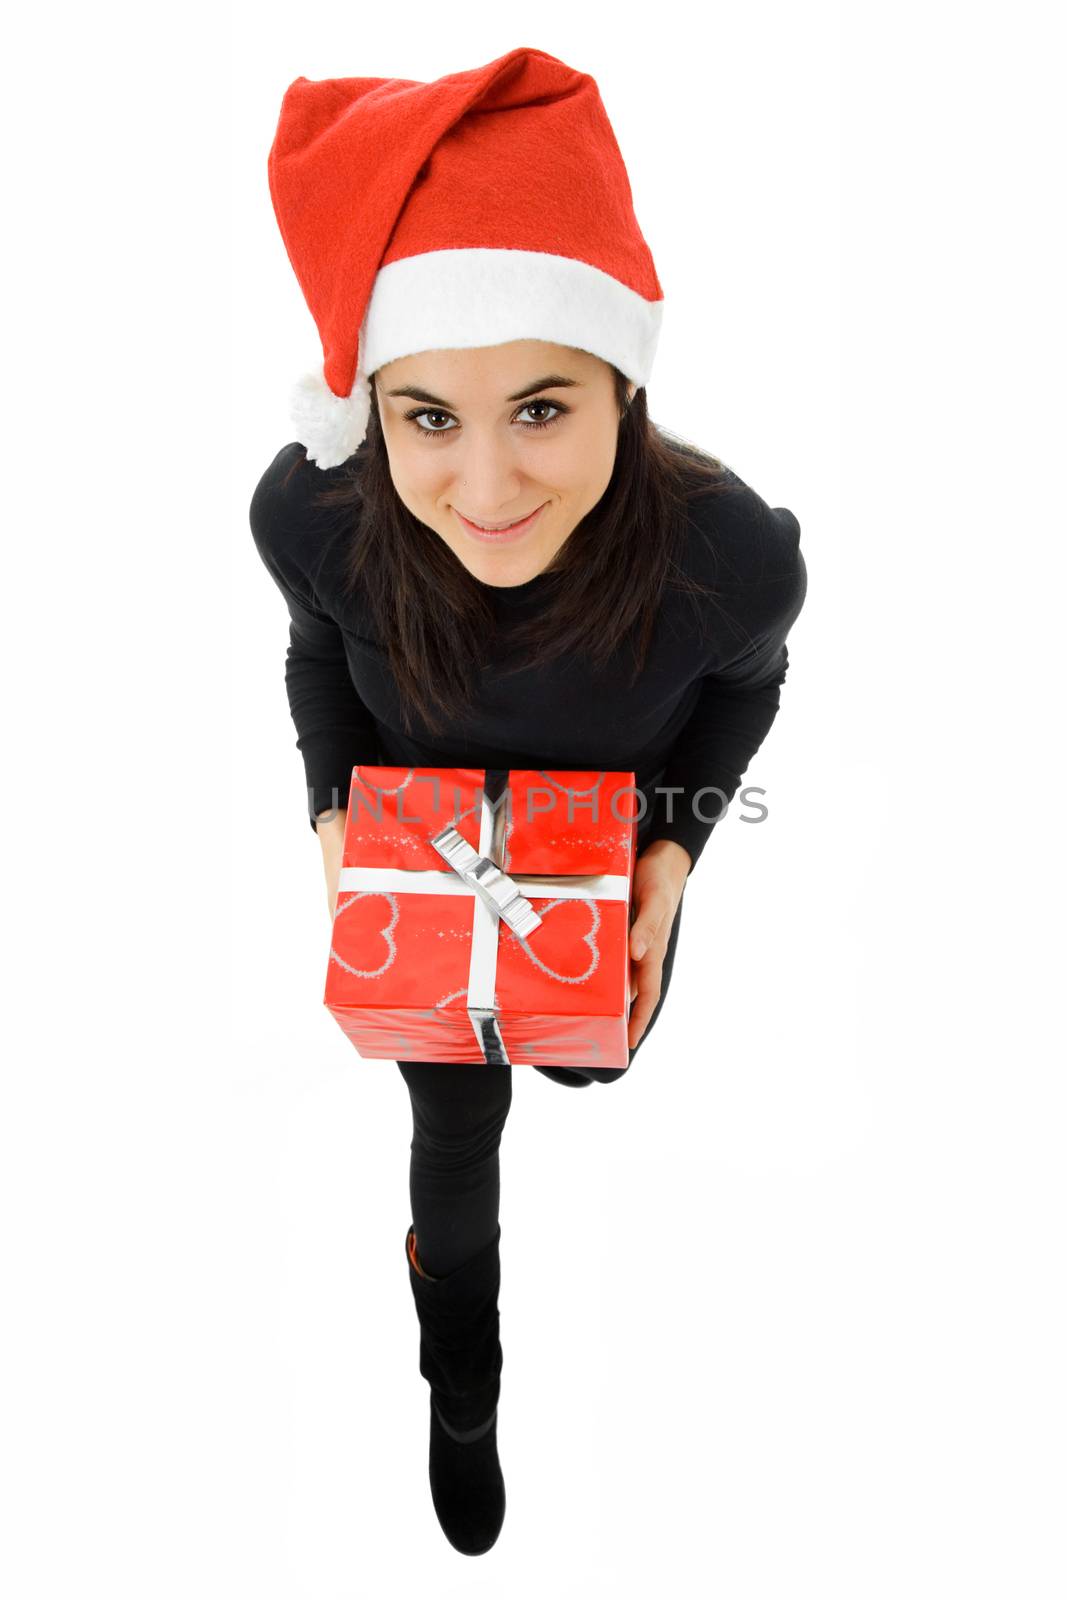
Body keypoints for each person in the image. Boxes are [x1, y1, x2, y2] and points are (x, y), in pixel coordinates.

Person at [250, 46, 807, 1557]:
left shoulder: (730, 555)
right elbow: (318, 649)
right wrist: (330, 823)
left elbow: (747, 687)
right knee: (458, 1132)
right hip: (422, 886)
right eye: (427, 416)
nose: (486, 483)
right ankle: (462, 1375)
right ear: (373, 404)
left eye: (543, 407)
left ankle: (577, 1033)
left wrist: (674, 854)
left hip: (600, 870)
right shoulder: (312, 511)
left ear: (624, 378)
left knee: (593, 1065)